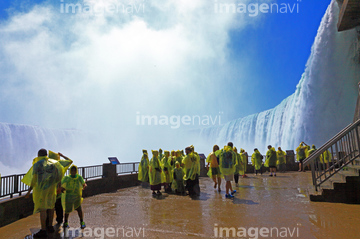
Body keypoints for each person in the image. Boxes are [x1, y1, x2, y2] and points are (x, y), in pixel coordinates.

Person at [23, 149, 72, 238]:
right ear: (46, 155)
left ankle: (43, 230)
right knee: (51, 207)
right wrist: (58, 187)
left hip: (41, 190)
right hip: (52, 189)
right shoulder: (55, 163)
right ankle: (50, 226)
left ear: (38, 155)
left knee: (43, 209)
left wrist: (29, 191)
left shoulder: (37, 164)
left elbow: (34, 180)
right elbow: (59, 176)